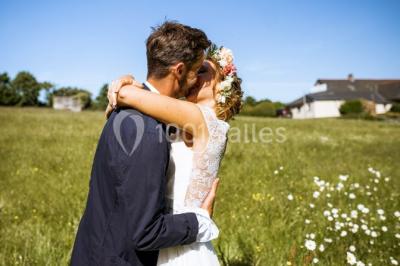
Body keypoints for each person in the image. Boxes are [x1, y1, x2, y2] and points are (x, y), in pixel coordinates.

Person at [71, 22, 220, 266]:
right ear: (179, 70)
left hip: (95, 250)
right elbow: (145, 231)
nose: (195, 81)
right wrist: (200, 221)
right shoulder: (149, 131)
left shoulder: (125, 112)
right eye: (195, 71)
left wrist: (127, 87)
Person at [107, 43, 243, 265]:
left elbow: (128, 95)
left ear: (220, 87)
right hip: (160, 231)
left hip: (181, 240)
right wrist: (128, 80)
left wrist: (123, 85)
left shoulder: (207, 122)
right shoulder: (183, 118)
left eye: (201, 71)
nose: (192, 74)